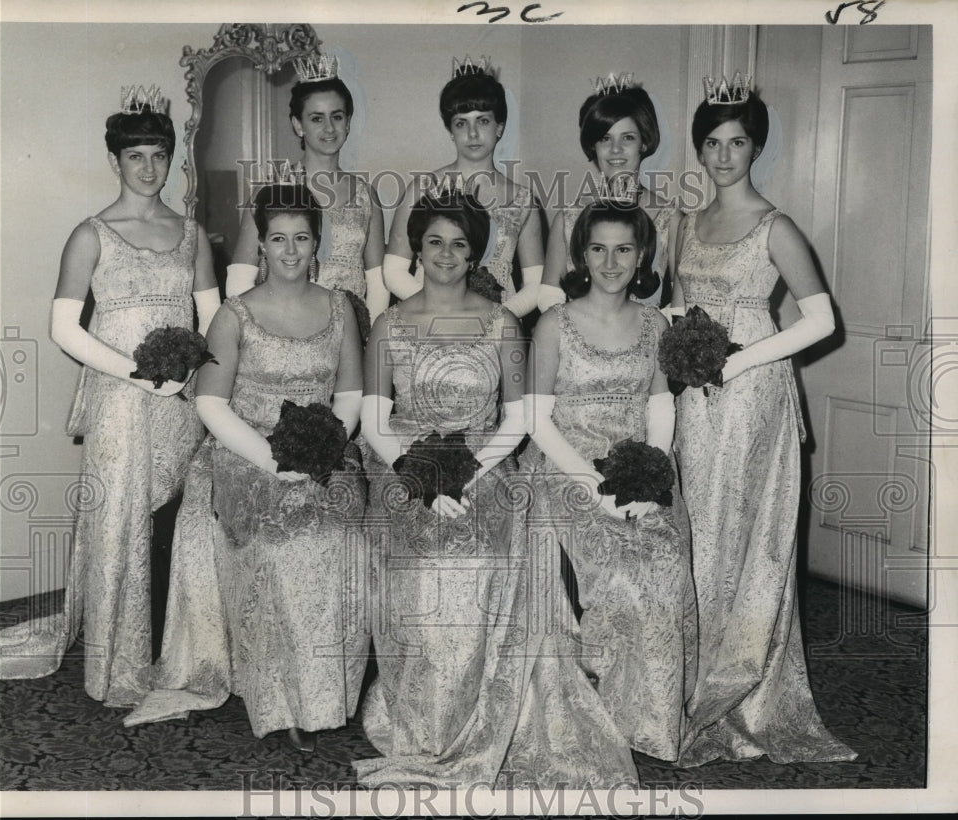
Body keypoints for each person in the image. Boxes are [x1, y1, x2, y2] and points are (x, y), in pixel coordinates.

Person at [354, 189, 637, 788]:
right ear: (417, 249)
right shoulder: (388, 325)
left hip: (485, 462)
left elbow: (517, 420)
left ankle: (481, 717)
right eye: (434, 242)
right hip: (407, 466)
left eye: (460, 244)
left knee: (479, 555)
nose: (446, 254)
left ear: (477, 253)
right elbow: (375, 422)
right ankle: (426, 722)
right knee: (426, 563)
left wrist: (465, 472)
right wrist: (423, 473)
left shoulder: (503, 324)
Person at [0, 87, 220, 707]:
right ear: (115, 160)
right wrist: (139, 373)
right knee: (118, 520)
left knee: (177, 521)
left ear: (172, 161)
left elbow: (215, 316)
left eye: (159, 155)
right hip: (120, 396)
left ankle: (180, 650)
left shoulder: (191, 233)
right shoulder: (90, 233)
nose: (148, 168)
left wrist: (194, 374)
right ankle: (118, 663)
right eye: (136, 155)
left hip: (182, 396)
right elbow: (65, 328)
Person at [125, 184, 366, 752]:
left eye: (301, 239)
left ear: (318, 243)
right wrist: (273, 459)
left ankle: (326, 696)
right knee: (283, 546)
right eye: (277, 239)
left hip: (326, 456)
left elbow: (351, 394)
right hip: (246, 456)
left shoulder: (339, 308)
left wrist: (324, 449)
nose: (289, 251)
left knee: (342, 540)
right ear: (261, 243)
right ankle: (280, 702)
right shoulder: (235, 316)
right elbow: (211, 404)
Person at [670, 82, 855, 765]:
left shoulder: (776, 226)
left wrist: (741, 358)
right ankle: (695, 681)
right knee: (699, 533)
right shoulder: (684, 223)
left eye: (737, 142)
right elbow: (674, 306)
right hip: (696, 395)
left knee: (749, 541)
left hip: (752, 398)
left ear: (756, 146)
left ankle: (747, 690)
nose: (723, 156)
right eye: (712, 143)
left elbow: (821, 319)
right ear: (700, 148)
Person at [523, 202, 697, 761]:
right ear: (581, 254)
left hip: (635, 469)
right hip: (566, 467)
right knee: (617, 570)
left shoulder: (656, 324)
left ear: (642, 254)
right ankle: (600, 708)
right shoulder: (555, 323)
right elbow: (536, 419)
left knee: (663, 560)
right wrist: (594, 486)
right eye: (598, 248)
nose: (611, 261)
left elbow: (661, 408)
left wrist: (649, 475)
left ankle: (644, 718)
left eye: (624, 249)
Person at [227, 57, 389, 319]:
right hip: (286, 325)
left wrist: (366, 337)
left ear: (348, 123)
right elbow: (239, 279)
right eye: (316, 118)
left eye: (337, 117)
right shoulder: (271, 190)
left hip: (350, 331)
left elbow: (378, 283)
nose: (329, 128)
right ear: (298, 125)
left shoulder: (365, 195)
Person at [381, 61, 544, 318]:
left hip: (496, 324)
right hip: (429, 320)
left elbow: (536, 284)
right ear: (450, 131)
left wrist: (494, 318)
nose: (472, 133)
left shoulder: (523, 200)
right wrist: (441, 311)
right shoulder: (424, 189)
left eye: (482, 121)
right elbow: (393, 271)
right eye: (461, 123)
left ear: (499, 127)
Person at [537, 77, 681, 313]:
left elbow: (679, 304)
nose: (616, 150)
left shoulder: (671, 219)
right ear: (593, 146)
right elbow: (548, 296)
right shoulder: (568, 218)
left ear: (644, 143)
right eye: (605, 138)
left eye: (628, 138)